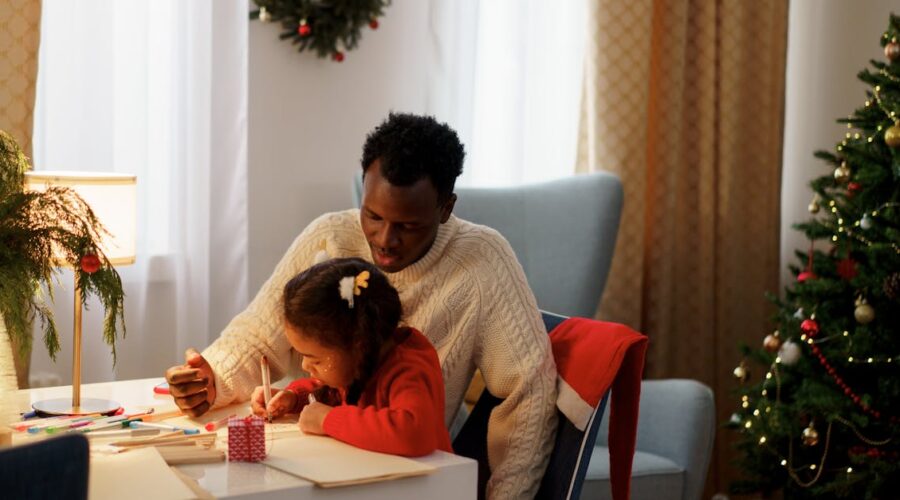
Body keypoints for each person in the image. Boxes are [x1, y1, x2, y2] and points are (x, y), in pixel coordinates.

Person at [164, 112, 557, 498]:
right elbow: (259, 333)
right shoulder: (329, 235)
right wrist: (212, 379)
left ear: (445, 208)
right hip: (335, 464)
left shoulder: (483, 260)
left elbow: (531, 392)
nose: (384, 239)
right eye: (372, 215)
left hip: (408, 478)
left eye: (408, 226)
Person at [251, 257, 452, 456]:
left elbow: (413, 434)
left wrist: (327, 420)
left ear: (358, 345)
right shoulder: (355, 364)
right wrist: (294, 398)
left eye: (316, 360)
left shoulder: (408, 369)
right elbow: (332, 390)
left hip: (425, 485)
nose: (305, 366)